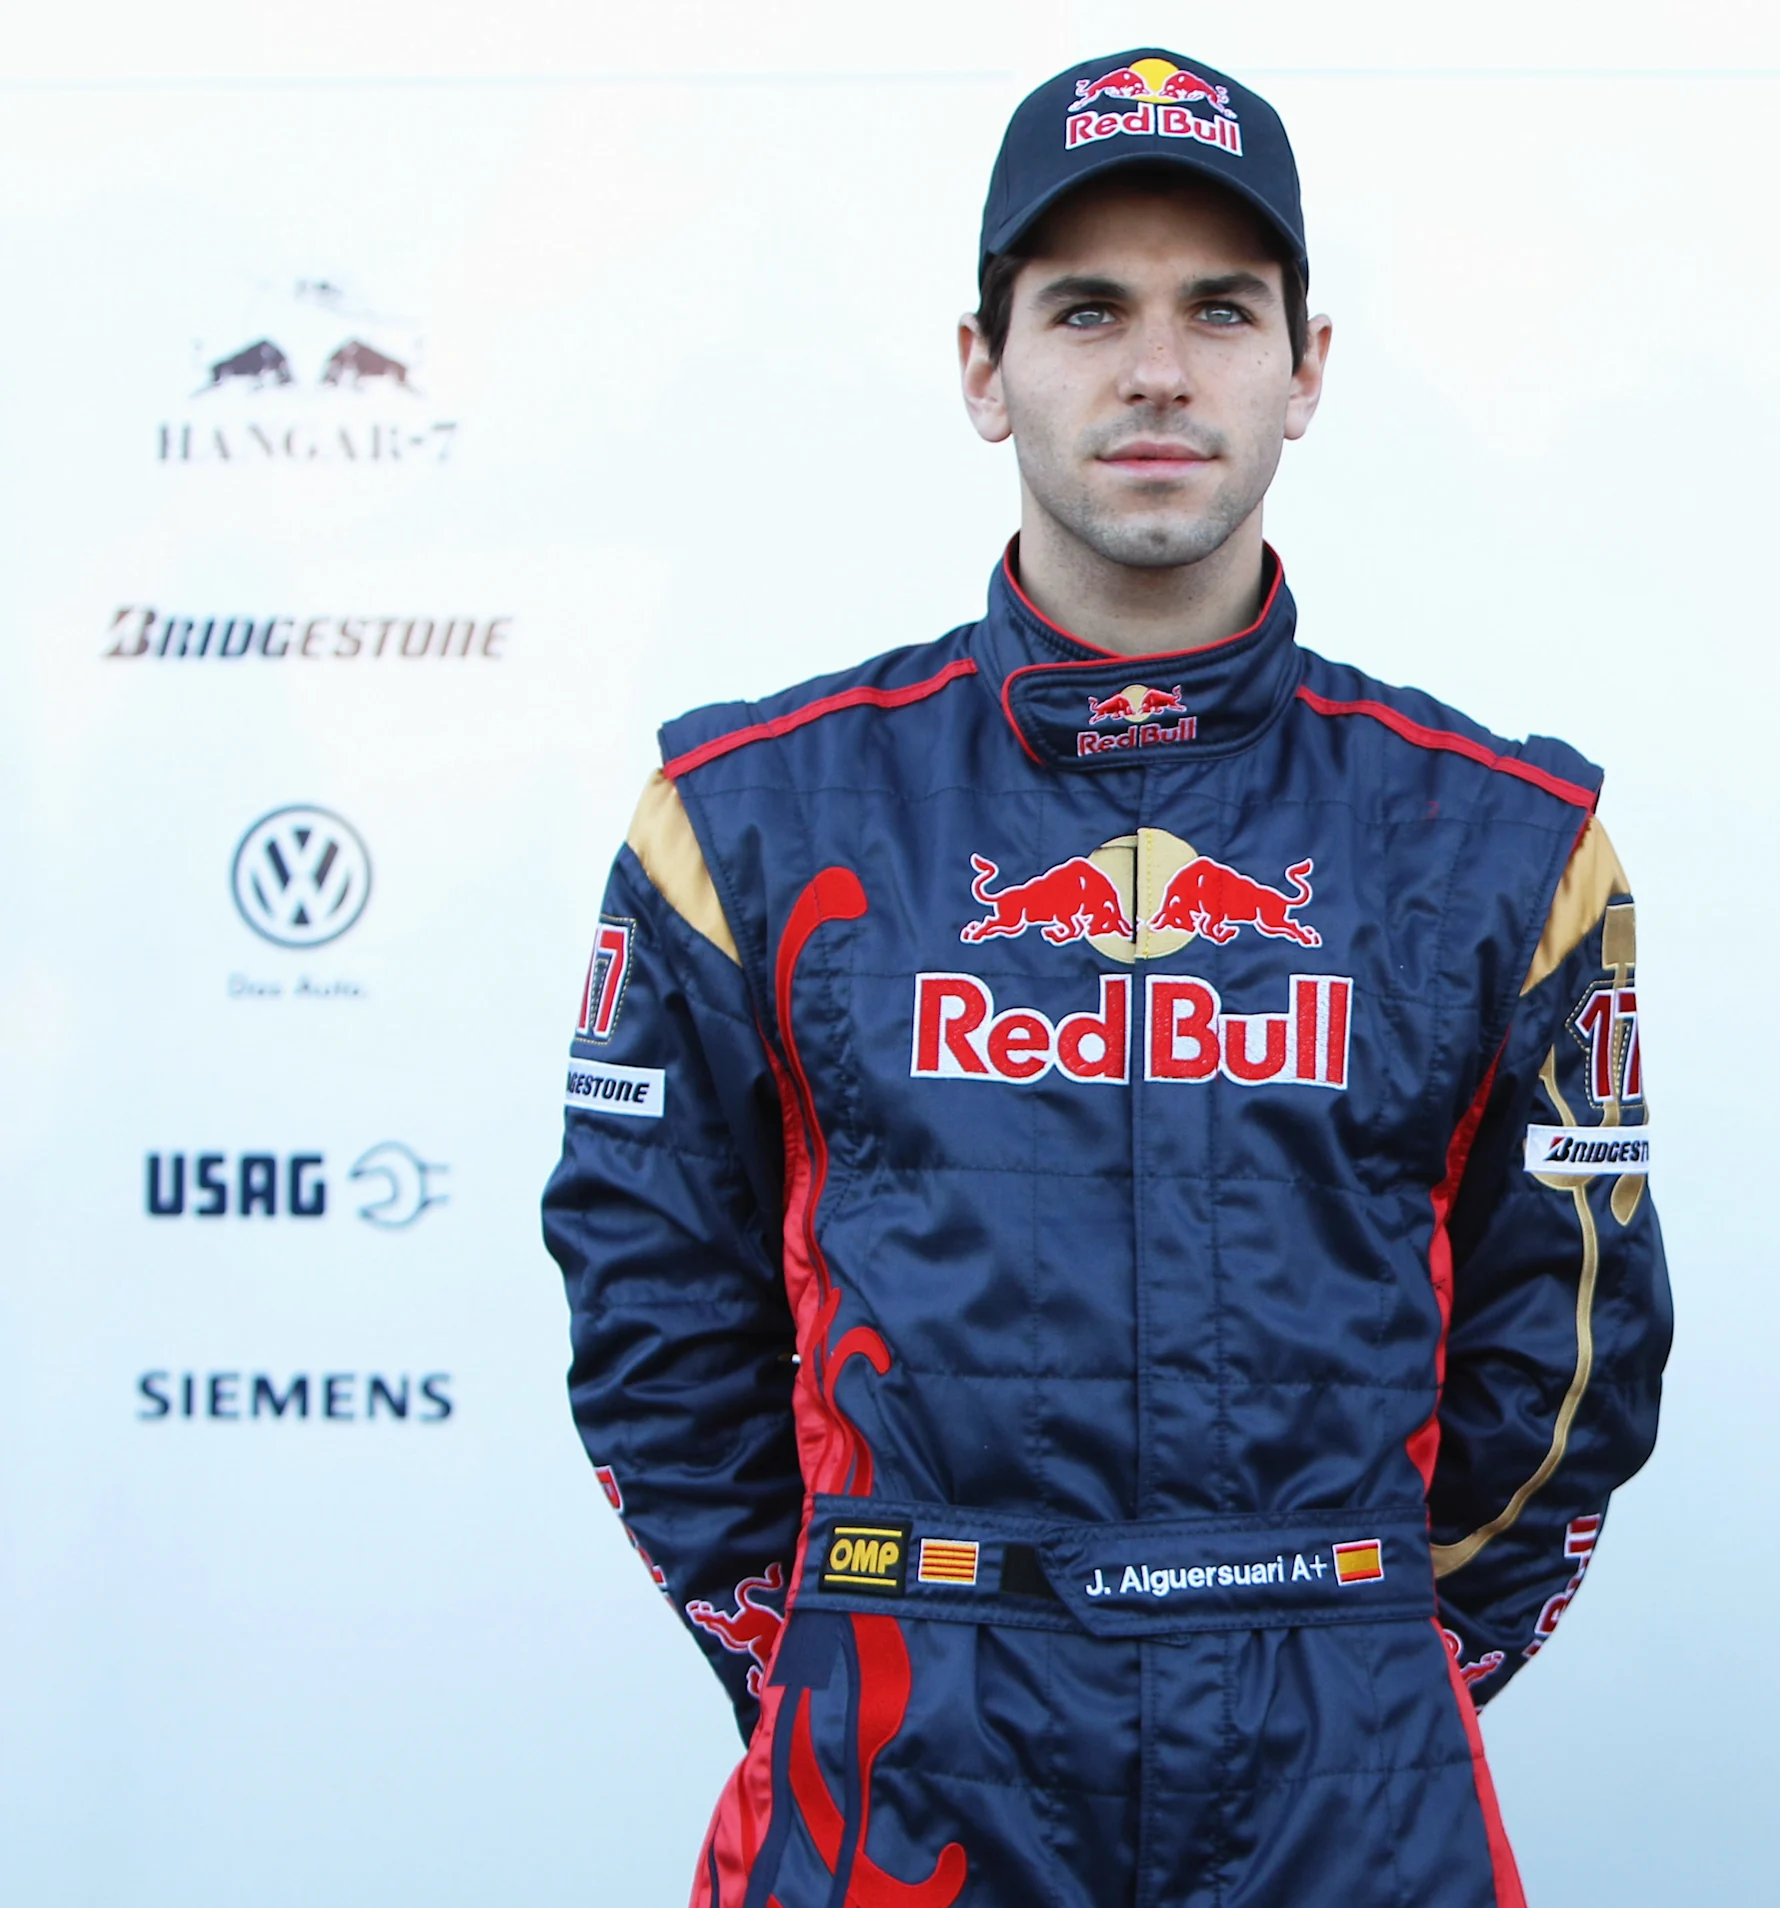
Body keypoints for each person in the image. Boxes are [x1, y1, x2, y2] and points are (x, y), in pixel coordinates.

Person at [543, 49, 1669, 1908]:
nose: (1159, 370)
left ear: (1307, 369)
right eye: (1089, 310)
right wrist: (839, 1652)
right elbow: (654, 1329)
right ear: (984, 368)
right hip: (903, 1757)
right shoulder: (747, 818)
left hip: (1345, 1769)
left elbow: (1569, 1360)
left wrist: (1355, 1649)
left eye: (1219, 310)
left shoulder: (1503, 842)